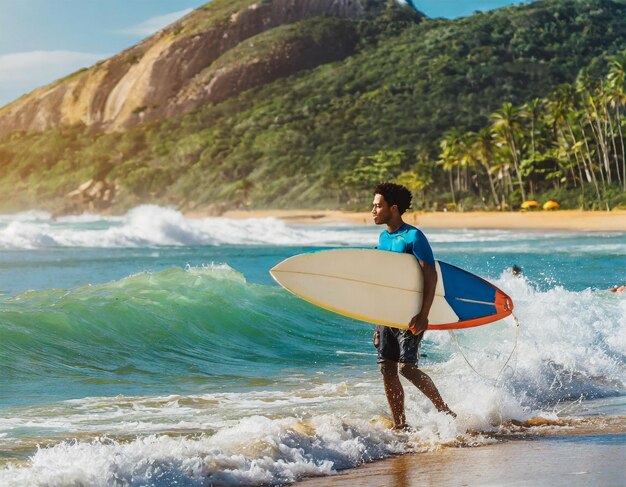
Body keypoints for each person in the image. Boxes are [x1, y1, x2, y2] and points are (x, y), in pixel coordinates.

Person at [371, 182, 455, 430]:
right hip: (387, 313)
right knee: (387, 369)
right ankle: (400, 425)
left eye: (378, 206)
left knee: (407, 368)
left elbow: (430, 275)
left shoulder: (413, 236)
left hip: (411, 312)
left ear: (393, 208)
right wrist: (376, 322)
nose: (373, 211)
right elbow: (382, 282)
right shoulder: (383, 238)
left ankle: (445, 411)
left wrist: (424, 314)